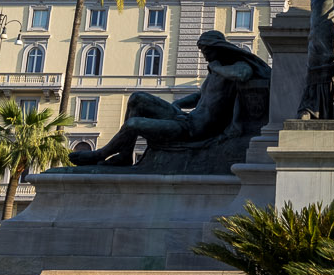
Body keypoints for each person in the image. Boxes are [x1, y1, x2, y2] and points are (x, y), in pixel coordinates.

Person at [73, 30, 271, 170]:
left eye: (206, 51)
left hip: (195, 130)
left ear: (217, 48)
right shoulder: (216, 71)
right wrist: (177, 104)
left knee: (134, 124)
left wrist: (217, 67)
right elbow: (200, 97)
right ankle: (125, 156)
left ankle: (99, 155)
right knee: (137, 98)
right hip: (186, 118)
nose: (204, 57)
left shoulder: (234, 66)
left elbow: (243, 75)